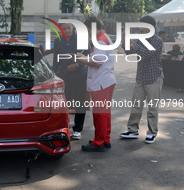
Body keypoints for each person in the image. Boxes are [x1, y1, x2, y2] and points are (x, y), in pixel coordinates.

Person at [120, 15, 163, 144]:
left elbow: (146, 54)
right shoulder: (139, 39)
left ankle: (152, 132)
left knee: (152, 108)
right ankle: (132, 130)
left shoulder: (157, 40)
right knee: (136, 105)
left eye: (143, 26)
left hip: (154, 77)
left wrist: (133, 43)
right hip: (141, 77)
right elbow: (129, 52)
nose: (140, 28)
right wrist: (125, 40)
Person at [76, 16, 116, 152]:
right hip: (104, 81)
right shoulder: (102, 39)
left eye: (87, 29)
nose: (86, 32)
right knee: (104, 112)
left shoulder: (101, 41)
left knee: (100, 113)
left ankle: (98, 142)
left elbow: (97, 62)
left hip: (101, 82)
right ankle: (105, 139)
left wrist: (82, 60)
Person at [52, 22, 90, 140]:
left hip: (80, 75)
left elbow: (88, 54)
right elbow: (56, 58)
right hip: (64, 76)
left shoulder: (82, 38)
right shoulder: (58, 41)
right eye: (64, 29)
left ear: (72, 27)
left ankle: (78, 129)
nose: (67, 31)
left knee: (80, 102)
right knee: (63, 103)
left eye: (68, 28)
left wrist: (77, 64)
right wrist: (55, 74)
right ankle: (63, 127)